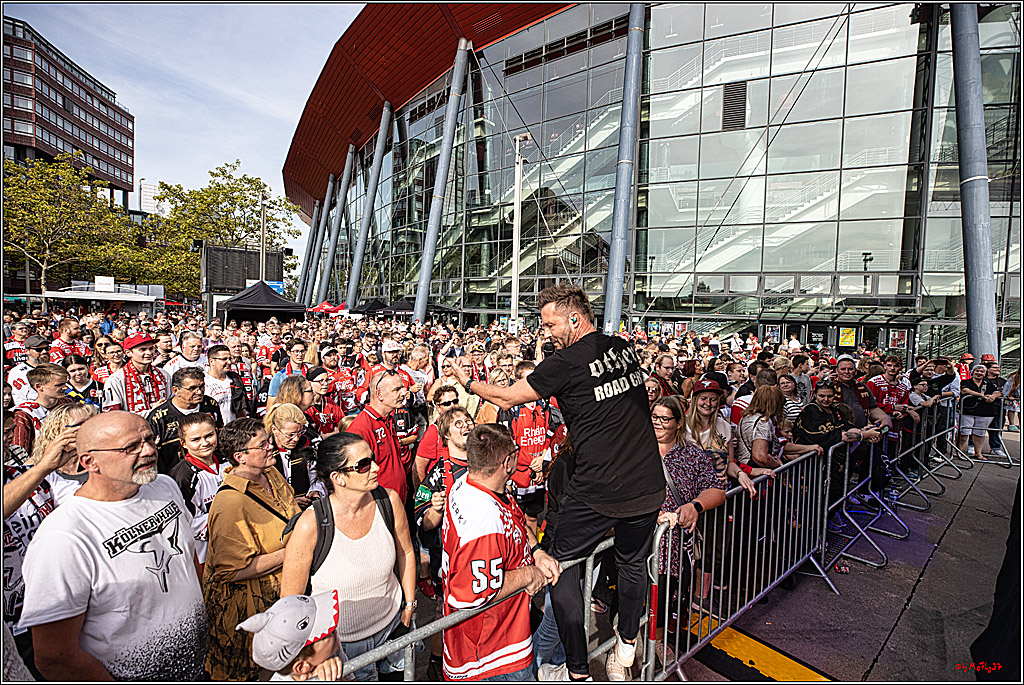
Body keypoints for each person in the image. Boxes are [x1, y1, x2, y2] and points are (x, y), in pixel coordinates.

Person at [450, 284, 664, 681]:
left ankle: (578, 668)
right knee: (633, 564)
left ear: (574, 319)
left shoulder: (564, 362)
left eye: (550, 324)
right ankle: (627, 645)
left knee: (558, 566)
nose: (546, 332)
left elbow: (508, 399)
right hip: (648, 484)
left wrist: (470, 382)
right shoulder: (623, 347)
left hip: (599, 489)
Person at [19, 411, 207, 681]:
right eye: (131, 447)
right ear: (90, 462)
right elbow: (54, 656)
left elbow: (187, 558)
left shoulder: (164, 487)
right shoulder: (65, 535)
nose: (149, 451)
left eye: (149, 440)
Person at [280, 432, 417, 681]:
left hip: (394, 630)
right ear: (338, 477)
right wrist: (319, 654)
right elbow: (291, 602)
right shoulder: (311, 524)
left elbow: (406, 551)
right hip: (343, 650)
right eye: (364, 465)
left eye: (372, 459)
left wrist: (408, 607)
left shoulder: (389, 501)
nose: (375, 467)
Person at [441, 424, 561, 681]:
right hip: (491, 654)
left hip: (505, 632)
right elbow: (474, 594)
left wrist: (536, 550)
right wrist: (529, 574)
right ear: (507, 462)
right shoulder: (482, 520)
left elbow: (513, 518)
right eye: (516, 450)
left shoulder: (473, 483)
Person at [203, 417, 302, 681]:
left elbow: (288, 508)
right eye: (263, 444)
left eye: (268, 441)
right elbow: (230, 572)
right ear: (240, 456)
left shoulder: (270, 472)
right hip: (248, 617)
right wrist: (294, 550)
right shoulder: (229, 504)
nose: (271, 447)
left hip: (281, 600)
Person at [2, 409, 82, 675]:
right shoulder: (35, 473)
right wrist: (42, 467)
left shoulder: (19, 471)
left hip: (44, 607)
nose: (7, 441)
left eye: (8, 433)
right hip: (9, 624)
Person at [650, 396, 726, 633]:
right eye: (654, 417)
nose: (658, 423)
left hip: (676, 549)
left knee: (668, 602)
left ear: (679, 422)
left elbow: (717, 490)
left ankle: (660, 643)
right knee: (632, 603)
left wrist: (696, 506)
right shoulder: (635, 450)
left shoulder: (692, 455)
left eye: (665, 419)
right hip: (640, 544)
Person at [236, 591, 347, 682]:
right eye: (328, 633)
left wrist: (338, 678)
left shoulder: (330, 654)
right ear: (302, 667)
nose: (334, 630)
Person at [169, 412, 227, 574]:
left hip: (235, 546)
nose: (205, 443)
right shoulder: (182, 476)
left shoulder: (227, 461)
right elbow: (186, 522)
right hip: (204, 555)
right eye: (195, 439)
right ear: (184, 443)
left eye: (209, 435)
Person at [148, 367, 224, 474]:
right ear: (175, 390)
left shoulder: (211, 405)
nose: (199, 392)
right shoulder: (159, 418)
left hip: (210, 472)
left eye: (202, 386)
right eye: (192, 388)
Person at [347, 371, 409, 503]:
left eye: (402, 388)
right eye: (397, 389)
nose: (403, 393)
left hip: (398, 501)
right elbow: (356, 477)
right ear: (379, 394)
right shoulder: (361, 428)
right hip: (379, 505)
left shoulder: (388, 418)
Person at [736, 386, 823, 469]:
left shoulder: (749, 417)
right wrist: (778, 466)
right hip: (755, 473)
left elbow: (779, 446)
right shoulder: (763, 422)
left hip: (749, 468)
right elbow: (760, 456)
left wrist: (809, 448)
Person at [266, 401, 325, 508]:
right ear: (275, 430)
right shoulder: (265, 451)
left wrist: (315, 491)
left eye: (300, 432)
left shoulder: (309, 444)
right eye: (290, 435)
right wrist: (288, 502)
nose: (296, 439)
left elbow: (318, 477)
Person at [102, 333, 172, 416]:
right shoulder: (116, 379)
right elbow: (113, 415)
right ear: (128, 353)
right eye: (142, 349)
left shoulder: (163, 375)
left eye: (151, 348)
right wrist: (152, 412)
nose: (149, 353)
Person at [10, 363, 72, 456]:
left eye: (65, 383)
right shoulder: (24, 414)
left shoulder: (67, 403)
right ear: (39, 387)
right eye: (59, 385)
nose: (65, 388)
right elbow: (20, 453)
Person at [958, 365, 1002, 457]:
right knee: (964, 432)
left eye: (982, 372)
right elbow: (965, 390)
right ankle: (958, 450)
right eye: (977, 371)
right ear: (973, 372)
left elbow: (998, 392)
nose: (979, 373)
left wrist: (993, 396)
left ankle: (978, 453)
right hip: (967, 411)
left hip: (984, 412)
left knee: (980, 433)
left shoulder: (988, 384)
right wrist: (981, 395)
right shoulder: (966, 382)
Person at [205, 343, 247, 424]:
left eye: (229, 358)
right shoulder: (203, 381)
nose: (229, 362)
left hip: (233, 430)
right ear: (211, 361)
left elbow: (241, 409)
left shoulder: (235, 379)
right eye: (224, 359)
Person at [8, 335, 51, 406]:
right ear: (26, 351)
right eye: (38, 350)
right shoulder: (17, 372)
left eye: (47, 348)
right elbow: (33, 396)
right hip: (30, 411)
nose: (44, 352)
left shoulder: (54, 367)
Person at [268, 339, 311, 408]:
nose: (300, 355)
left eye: (302, 351)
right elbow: (270, 405)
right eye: (296, 351)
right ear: (288, 352)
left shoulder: (310, 371)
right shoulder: (279, 376)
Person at [305, 366, 345, 435]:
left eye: (327, 380)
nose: (325, 384)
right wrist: (333, 433)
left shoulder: (330, 403)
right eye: (321, 381)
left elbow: (343, 424)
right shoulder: (305, 406)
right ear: (310, 382)